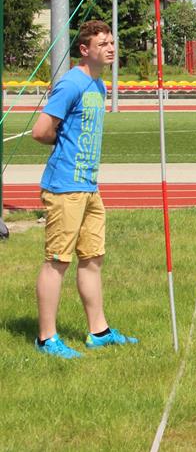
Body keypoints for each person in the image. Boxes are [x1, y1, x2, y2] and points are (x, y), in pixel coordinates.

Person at [31, 20, 138, 359]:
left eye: (112, 42)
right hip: (65, 187)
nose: (111, 48)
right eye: (102, 43)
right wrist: (62, 142)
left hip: (89, 186)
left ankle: (99, 332)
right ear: (84, 49)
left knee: (92, 258)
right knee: (57, 261)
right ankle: (47, 338)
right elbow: (41, 131)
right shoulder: (71, 83)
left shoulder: (98, 85)